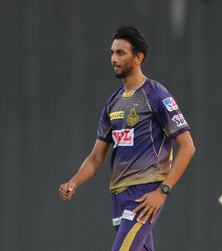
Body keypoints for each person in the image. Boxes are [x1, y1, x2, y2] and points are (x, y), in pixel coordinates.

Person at [58, 26, 196, 251]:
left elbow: (188, 147)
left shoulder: (156, 95)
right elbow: (96, 157)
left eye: (121, 53)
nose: (114, 58)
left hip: (143, 197)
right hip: (118, 197)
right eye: (112, 52)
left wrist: (163, 191)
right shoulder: (113, 103)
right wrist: (73, 182)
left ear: (138, 57)